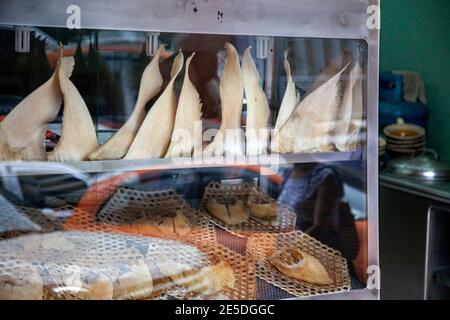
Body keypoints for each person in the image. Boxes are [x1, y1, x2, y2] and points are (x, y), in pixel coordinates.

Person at [278, 163, 359, 263]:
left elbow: (320, 227)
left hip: (316, 257)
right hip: (291, 252)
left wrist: (287, 251)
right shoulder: (288, 172)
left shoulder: (323, 175)